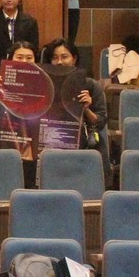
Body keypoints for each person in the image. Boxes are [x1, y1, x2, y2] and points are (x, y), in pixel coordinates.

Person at [40, 38, 109, 182]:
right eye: (54, 57)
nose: (59, 62)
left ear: (74, 59)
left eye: (64, 56)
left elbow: (100, 122)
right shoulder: (44, 85)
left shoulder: (90, 85)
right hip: (50, 142)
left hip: (83, 145)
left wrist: (86, 109)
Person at [0, 41, 38, 153]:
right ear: (10, 59)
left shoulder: (42, 87)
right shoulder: (0, 84)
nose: (24, 61)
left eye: (29, 58)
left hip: (35, 146)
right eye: (19, 57)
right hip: (5, 146)